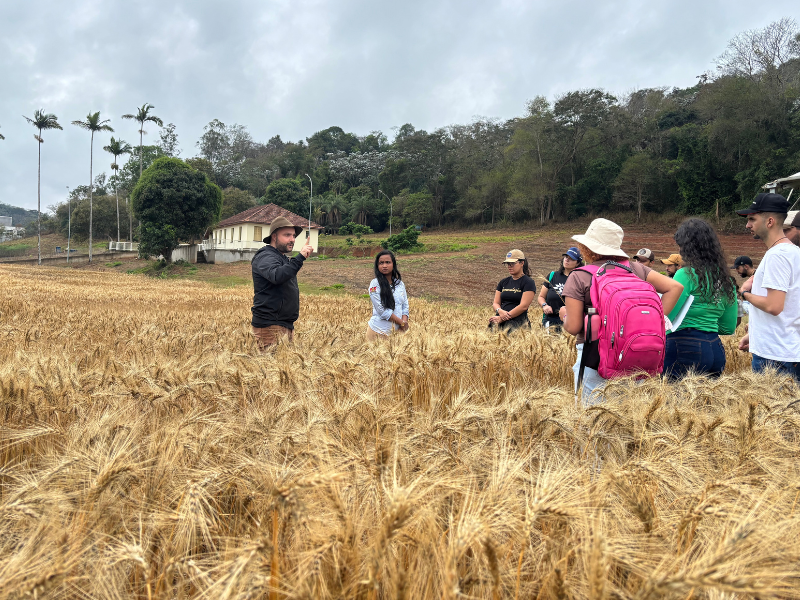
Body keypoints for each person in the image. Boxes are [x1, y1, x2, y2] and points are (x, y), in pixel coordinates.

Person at [558, 219, 683, 401]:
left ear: (587, 248)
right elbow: (675, 287)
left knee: (591, 420)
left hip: (594, 358)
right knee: (628, 418)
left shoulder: (580, 276)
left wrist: (564, 314)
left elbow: (574, 326)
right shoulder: (635, 269)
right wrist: (654, 322)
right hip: (635, 353)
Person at [736, 193, 800, 381]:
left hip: (775, 357)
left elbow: (774, 306)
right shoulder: (793, 252)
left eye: (752, 219)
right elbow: (791, 306)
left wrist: (745, 293)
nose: (748, 225)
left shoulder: (777, 256)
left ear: (770, 221)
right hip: (786, 350)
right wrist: (755, 333)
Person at [664, 219, 738, 380]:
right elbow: (728, 327)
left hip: (684, 346)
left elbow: (667, 317)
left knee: (674, 402)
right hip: (715, 348)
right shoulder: (727, 280)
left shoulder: (686, 274)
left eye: (681, 245)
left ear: (688, 247)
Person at [251, 216, 314, 350]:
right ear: (274, 236)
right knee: (269, 369)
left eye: (293, 236)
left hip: (283, 325)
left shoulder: (281, 257)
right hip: (270, 328)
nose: (292, 239)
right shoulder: (265, 256)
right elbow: (277, 275)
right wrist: (300, 257)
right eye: (287, 235)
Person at [489, 249, 536, 331]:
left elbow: (523, 306)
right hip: (499, 321)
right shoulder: (503, 282)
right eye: (508, 264)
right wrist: (499, 311)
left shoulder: (528, 282)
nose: (509, 266)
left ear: (522, 263)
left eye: (512, 264)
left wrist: (503, 318)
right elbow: (496, 303)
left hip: (518, 323)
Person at [367, 250, 409, 340]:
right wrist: (402, 323)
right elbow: (382, 311)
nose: (384, 266)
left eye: (388, 262)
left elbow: (405, 306)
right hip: (378, 332)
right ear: (377, 266)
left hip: (398, 333)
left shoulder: (400, 284)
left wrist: (404, 323)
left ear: (393, 264)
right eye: (381, 263)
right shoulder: (375, 284)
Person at [538, 246, 582, 331]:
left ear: (577, 263)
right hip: (551, 321)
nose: (567, 260)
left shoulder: (580, 279)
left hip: (571, 322)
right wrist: (544, 305)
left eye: (571, 259)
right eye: (566, 257)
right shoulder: (552, 276)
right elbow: (541, 297)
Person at [733, 256, 756, 325]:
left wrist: (743, 292)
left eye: (738, 268)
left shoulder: (757, 278)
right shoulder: (754, 277)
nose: (736, 271)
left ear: (746, 266)